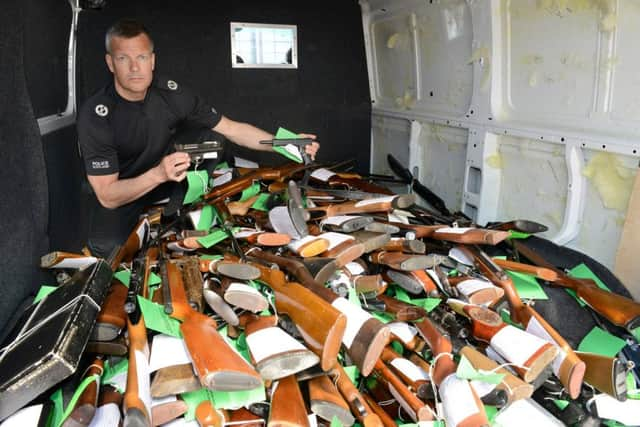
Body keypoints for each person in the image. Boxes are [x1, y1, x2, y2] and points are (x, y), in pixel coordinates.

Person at [77, 18, 319, 257]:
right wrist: (157, 174)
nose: (134, 68)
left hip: (169, 181)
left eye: (141, 57)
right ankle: (159, 222)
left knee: (211, 136)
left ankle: (183, 211)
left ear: (152, 60)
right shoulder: (96, 114)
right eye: (123, 58)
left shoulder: (172, 94)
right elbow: (108, 196)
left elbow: (232, 129)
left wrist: (285, 144)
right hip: (127, 190)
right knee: (107, 249)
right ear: (110, 63)